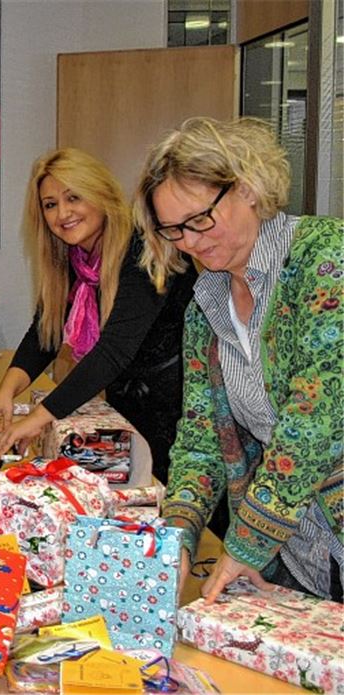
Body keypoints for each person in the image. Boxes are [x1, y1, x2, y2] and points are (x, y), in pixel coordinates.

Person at [134, 116, 342, 604]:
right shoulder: (207, 307)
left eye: (199, 219)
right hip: (302, 550)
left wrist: (247, 540)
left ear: (247, 187)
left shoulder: (326, 260)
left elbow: (315, 421)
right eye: (173, 230)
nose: (189, 242)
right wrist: (178, 535)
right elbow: (202, 439)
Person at [0, 148, 197, 487]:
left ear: (101, 194)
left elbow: (113, 351)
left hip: (183, 409)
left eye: (74, 197)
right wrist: (6, 393)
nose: (62, 213)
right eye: (50, 204)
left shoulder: (145, 249)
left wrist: (38, 419)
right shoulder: (76, 258)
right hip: (128, 404)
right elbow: (46, 334)